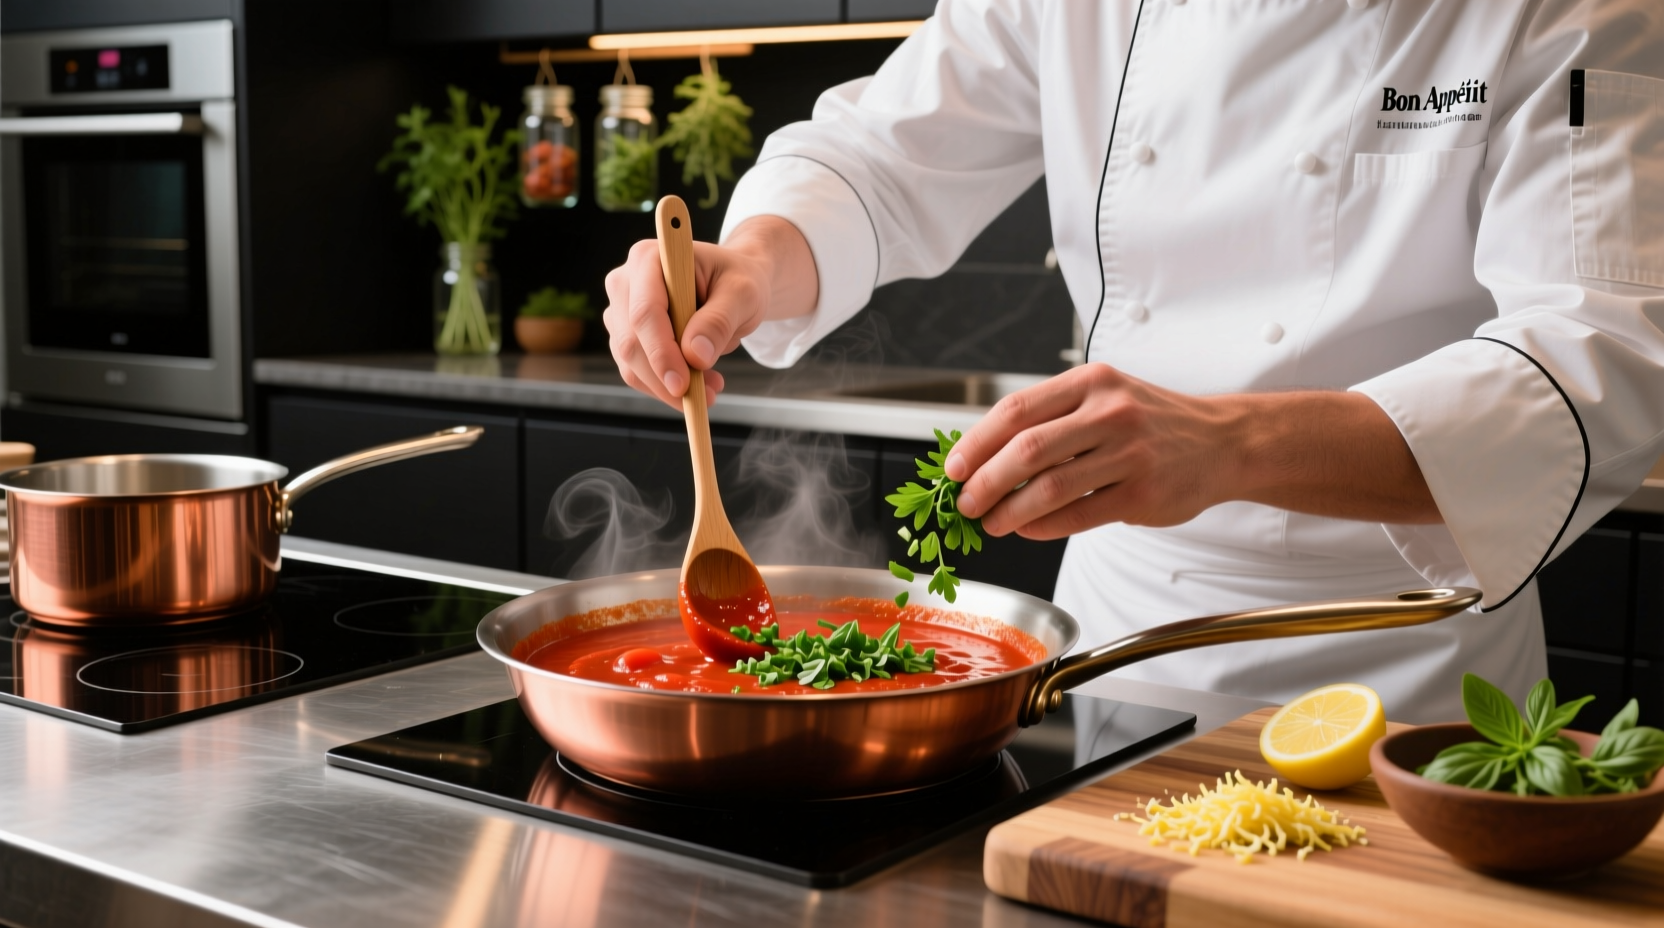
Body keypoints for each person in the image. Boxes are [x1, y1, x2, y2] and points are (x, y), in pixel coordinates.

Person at [602, 0, 1664, 722]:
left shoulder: (1561, 10)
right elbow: (879, 159)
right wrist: (748, 260)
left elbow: (1596, 359)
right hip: (1120, 641)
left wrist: (1229, 441)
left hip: (1403, 659)